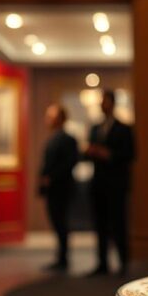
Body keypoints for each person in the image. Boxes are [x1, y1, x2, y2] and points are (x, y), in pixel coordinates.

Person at [84, 89, 135, 277]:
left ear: (112, 104)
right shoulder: (95, 128)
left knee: (119, 224)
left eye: (105, 101)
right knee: (100, 225)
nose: (102, 105)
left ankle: (123, 263)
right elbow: (86, 154)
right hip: (98, 184)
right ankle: (102, 263)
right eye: (101, 101)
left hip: (117, 185)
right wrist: (90, 152)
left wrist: (109, 155)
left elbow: (131, 154)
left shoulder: (124, 129)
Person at [38, 104, 78, 272]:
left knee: (61, 222)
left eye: (51, 116)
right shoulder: (52, 138)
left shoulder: (68, 139)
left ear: (60, 118)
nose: (47, 119)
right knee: (56, 221)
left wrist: (51, 178)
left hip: (62, 188)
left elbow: (69, 163)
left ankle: (63, 258)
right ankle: (60, 257)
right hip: (53, 189)